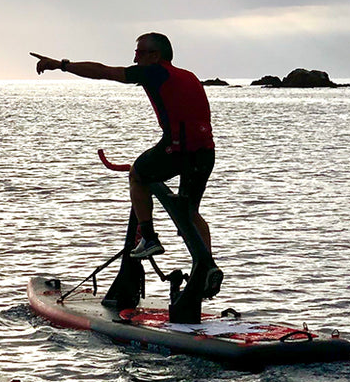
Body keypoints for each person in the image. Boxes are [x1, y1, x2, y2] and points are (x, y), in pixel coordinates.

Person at [30, 33, 218, 277]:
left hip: (176, 150)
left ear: (155, 55)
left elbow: (103, 71)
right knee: (190, 213)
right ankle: (208, 269)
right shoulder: (188, 76)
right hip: (205, 153)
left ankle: (149, 238)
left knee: (137, 175)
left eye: (139, 53)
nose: (135, 58)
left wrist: (61, 65)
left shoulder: (154, 72)